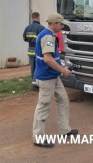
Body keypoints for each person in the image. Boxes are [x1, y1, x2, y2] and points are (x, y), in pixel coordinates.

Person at [32, 13, 78, 148]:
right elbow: (47, 59)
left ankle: (65, 130)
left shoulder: (49, 35)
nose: (62, 26)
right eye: (61, 24)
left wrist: (60, 68)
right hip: (47, 78)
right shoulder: (47, 37)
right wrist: (63, 70)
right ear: (54, 23)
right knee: (44, 106)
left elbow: (52, 58)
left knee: (63, 99)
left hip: (53, 76)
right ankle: (38, 137)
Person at [23, 12, 45, 90]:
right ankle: (36, 83)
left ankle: (33, 82)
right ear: (38, 17)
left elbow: (25, 38)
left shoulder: (27, 28)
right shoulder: (41, 28)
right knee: (38, 66)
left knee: (33, 67)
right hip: (38, 50)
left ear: (32, 18)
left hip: (30, 50)